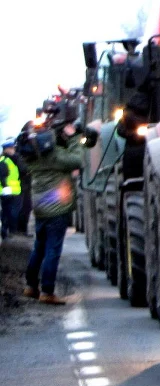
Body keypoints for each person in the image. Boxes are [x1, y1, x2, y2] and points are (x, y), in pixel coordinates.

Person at [22, 119, 87, 304]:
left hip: (40, 206)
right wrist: (74, 138)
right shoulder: (55, 156)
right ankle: (47, 291)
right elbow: (77, 160)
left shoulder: (32, 157)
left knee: (39, 247)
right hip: (56, 207)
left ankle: (31, 286)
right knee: (53, 249)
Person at [1, 142, 21, 239]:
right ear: (6, 149)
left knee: (9, 213)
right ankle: (7, 232)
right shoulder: (4, 160)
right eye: (11, 148)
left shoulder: (11, 159)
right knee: (9, 213)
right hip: (8, 192)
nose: (14, 150)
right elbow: (2, 176)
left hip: (13, 191)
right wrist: (6, 188)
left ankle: (9, 232)